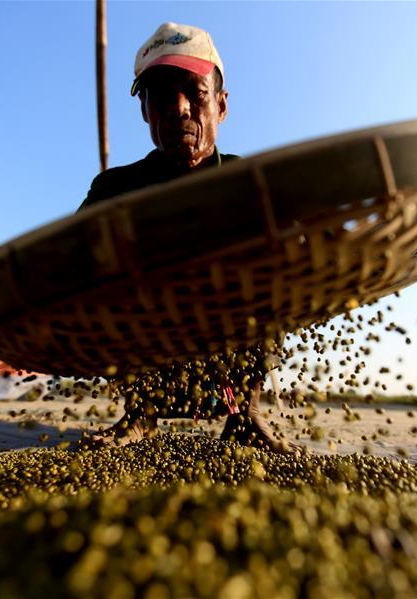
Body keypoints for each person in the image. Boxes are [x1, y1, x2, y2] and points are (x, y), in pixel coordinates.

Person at [78, 22, 297, 453]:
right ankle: (140, 416)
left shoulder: (251, 184)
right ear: (145, 112)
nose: (178, 108)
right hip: (150, 356)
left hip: (228, 364)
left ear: (220, 104)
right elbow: (71, 266)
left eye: (194, 92)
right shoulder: (112, 190)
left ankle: (245, 413)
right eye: (159, 96)